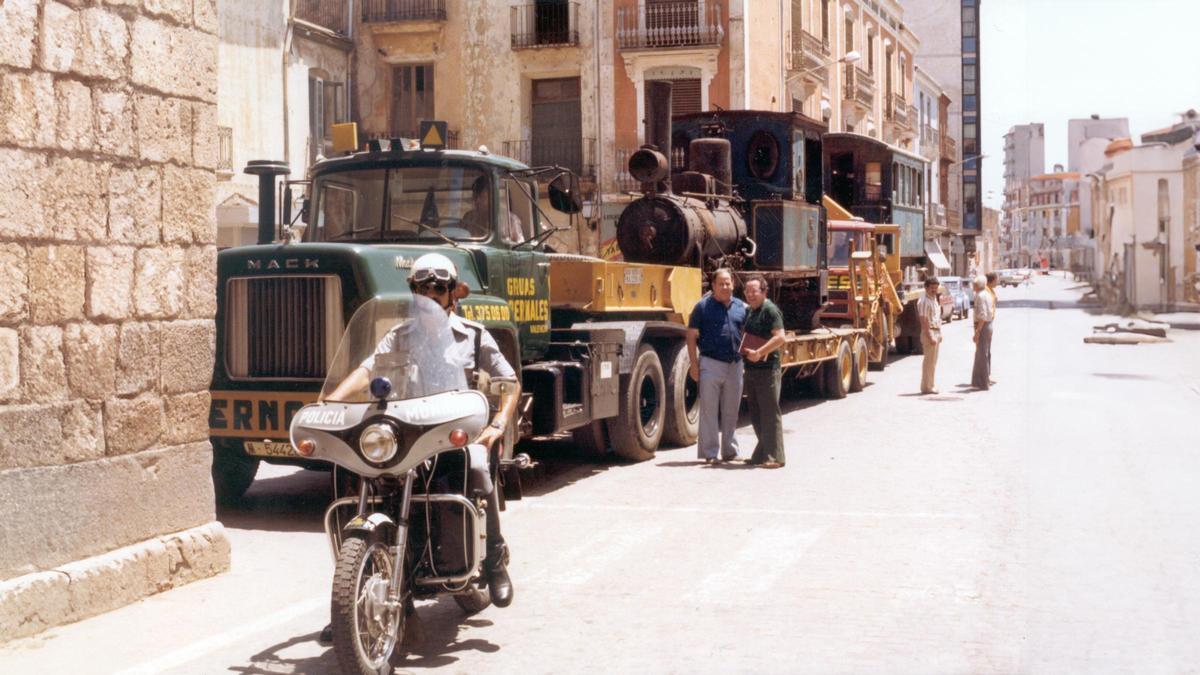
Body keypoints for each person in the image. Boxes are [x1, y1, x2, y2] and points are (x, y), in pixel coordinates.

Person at [321, 253, 520, 628]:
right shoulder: (398, 337)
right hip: (410, 434)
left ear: (452, 294)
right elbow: (367, 371)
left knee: (478, 465)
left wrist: (497, 425)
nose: (430, 295)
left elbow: (509, 382)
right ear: (413, 292)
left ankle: (494, 559)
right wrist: (330, 402)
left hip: (456, 434)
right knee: (358, 474)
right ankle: (352, 595)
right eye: (422, 289)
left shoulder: (475, 336)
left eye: (438, 289)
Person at [686, 269, 748, 464]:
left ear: (733, 284)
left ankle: (730, 451)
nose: (725, 286)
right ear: (713, 286)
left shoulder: (742, 307)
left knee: (731, 410)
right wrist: (694, 365)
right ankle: (710, 453)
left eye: (728, 283)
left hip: (735, 365)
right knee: (709, 411)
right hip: (711, 364)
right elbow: (691, 335)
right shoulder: (702, 307)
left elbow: (749, 333)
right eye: (721, 283)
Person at [741, 275, 787, 468]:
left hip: (768, 369)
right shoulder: (751, 311)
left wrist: (760, 353)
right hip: (752, 369)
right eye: (748, 291)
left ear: (764, 291)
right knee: (757, 413)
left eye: (755, 291)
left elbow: (780, 338)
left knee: (769, 412)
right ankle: (761, 454)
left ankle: (775, 457)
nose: (751, 295)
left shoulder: (770, 310)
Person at [461, 174, 525, 242]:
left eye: (482, 197)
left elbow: (519, 246)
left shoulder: (511, 220)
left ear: (492, 198)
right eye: (475, 197)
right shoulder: (469, 217)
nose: (477, 201)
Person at [917, 276, 943, 395]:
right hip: (930, 332)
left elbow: (937, 318)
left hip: (936, 331)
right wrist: (930, 336)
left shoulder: (934, 300)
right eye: (932, 288)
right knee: (929, 362)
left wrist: (940, 333)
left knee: (933, 361)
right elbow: (924, 320)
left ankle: (928, 385)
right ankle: (928, 387)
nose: (934, 290)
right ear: (926, 287)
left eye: (936, 288)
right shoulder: (923, 301)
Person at [971, 275, 994, 390]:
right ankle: (982, 381)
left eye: (974, 284)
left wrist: (977, 332)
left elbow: (982, 316)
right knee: (983, 353)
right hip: (989, 325)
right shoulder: (987, 294)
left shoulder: (980, 296)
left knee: (981, 354)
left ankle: (982, 382)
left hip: (983, 326)